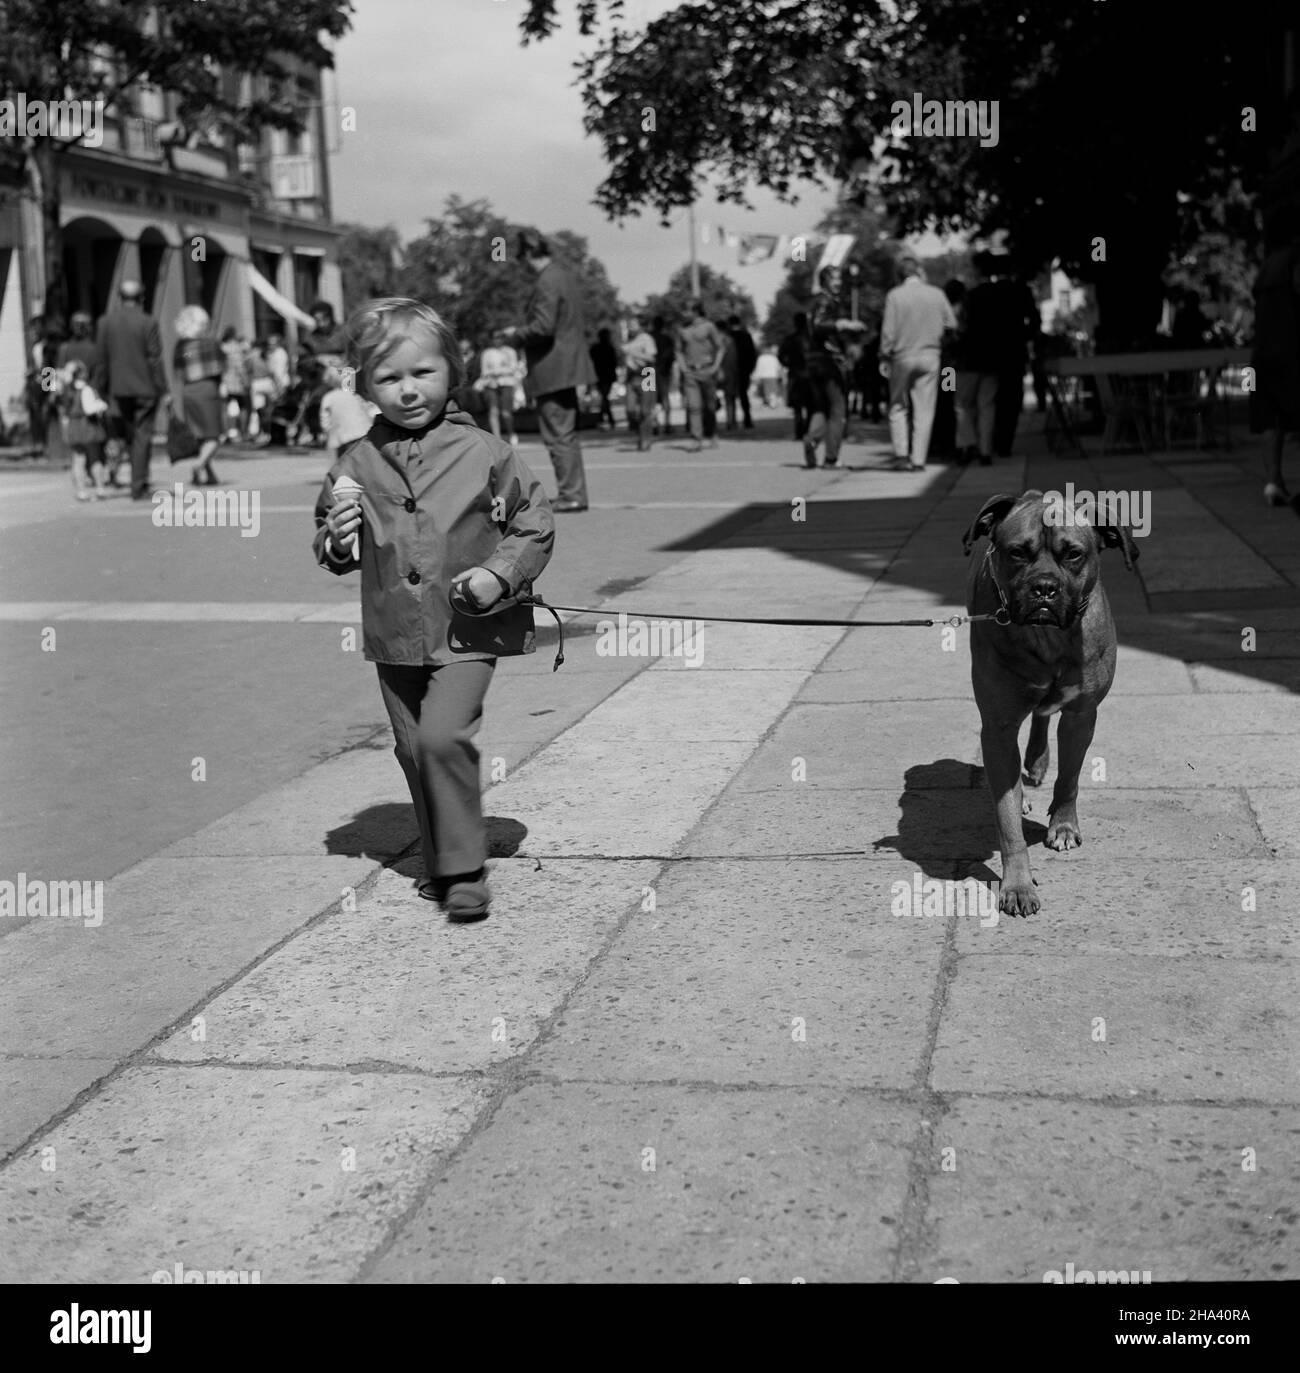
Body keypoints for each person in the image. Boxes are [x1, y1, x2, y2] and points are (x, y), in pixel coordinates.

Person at [314, 297, 555, 921]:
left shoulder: (487, 452)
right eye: (388, 378)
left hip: (469, 629)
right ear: (364, 384)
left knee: (443, 735)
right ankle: (442, 861)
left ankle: (464, 867)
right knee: (413, 748)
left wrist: (500, 576)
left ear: (453, 368)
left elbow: (532, 521)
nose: (407, 390)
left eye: (422, 373)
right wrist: (336, 539)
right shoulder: (353, 463)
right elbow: (332, 546)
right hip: (394, 632)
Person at [506, 230, 595, 512]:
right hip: (566, 365)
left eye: (522, 259)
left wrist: (515, 335)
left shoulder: (547, 281)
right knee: (565, 434)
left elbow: (544, 327)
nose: (523, 266)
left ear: (530, 253)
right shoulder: (563, 275)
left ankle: (572, 494)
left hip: (552, 367)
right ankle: (574, 492)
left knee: (558, 435)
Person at [880, 255, 957, 471]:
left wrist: (885, 354)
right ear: (919, 271)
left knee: (898, 406)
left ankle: (901, 455)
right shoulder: (936, 293)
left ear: (899, 274)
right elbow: (951, 323)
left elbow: (888, 331)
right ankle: (919, 458)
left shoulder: (895, 295)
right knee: (925, 408)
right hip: (930, 354)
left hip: (902, 355)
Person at [1248, 207, 1300, 511]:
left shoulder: (1266, 266)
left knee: (1269, 417)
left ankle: (1273, 480)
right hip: (1290, 351)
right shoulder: (1294, 260)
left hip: (1262, 352)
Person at [94, 280, 165, 499]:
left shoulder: (105, 323)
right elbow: (155, 358)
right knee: (142, 436)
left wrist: (100, 388)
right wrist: (163, 387)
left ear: (119, 297)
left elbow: (102, 359)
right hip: (144, 388)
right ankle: (139, 484)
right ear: (141, 297)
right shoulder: (148, 322)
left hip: (119, 389)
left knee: (128, 435)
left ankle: (133, 479)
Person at [172, 304, 226, 486]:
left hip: (188, 390)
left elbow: (178, 373)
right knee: (214, 436)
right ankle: (199, 464)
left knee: (200, 435)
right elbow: (221, 368)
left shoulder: (181, 347)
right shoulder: (210, 344)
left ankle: (208, 475)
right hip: (207, 388)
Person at [677, 300, 725, 451]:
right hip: (688, 372)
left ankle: (712, 434)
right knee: (693, 406)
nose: (683, 314)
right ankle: (696, 438)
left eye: (687, 311)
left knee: (709, 407)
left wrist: (715, 367)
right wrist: (683, 368)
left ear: (696, 311)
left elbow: (720, 347)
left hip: (706, 370)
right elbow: (677, 350)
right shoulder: (682, 330)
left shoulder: (708, 327)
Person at [59, 360, 110, 500]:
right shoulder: (87, 389)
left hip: (73, 426)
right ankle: (100, 488)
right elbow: (89, 409)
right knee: (95, 458)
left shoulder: (66, 390)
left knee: (78, 460)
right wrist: (102, 405)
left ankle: (81, 491)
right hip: (87, 426)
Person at [476, 328, 523, 443]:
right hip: (490, 384)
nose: (497, 340)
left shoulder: (510, 351)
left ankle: (511, 433)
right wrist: (496, 373)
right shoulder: (487, 353)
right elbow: (484, 371)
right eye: (495, 337)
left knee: (506, 413)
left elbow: (513, 368)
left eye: (500, 337)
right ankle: (497, 439)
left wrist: (497, 372)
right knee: (493, 411)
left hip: (507, 383)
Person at [621, 315, 657, 451]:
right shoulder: (629, 340)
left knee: (645, 410)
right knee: (630, 410)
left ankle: (645, 439)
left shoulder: (647, 339)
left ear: (640, 326)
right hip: (632, 376)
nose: (630, 327)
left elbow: (651, 358)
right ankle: (639, 433)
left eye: (633, 324)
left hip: (647, 373)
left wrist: (634, 354)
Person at [778, 312, 813, 438]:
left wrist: (789, 364)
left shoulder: (790, 339)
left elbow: (781, 356)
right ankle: (809, 430)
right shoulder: (812, 338)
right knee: (811, 404)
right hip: (810, 374)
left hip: (796, 373)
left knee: (798, 405)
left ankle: (799, 431)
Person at [727, 315, 757, 428]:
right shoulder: (746, 336)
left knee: (731, 395)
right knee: (743, 394)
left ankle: (732, 420)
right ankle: (747, 418)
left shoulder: (728, 336)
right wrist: (750, 368)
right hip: (744, 369)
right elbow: (752, 353)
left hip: (731, 369)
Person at [589, 327, 620, 428]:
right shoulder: (600, 348)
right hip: (601, 376)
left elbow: (614, 363)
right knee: (605, 397)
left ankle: (602, 418)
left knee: (604, 397)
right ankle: (607, 419)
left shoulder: (607, 348)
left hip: (604, 376)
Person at [651, 315, 676, 434]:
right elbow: (671, 356)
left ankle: (654, 424)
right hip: (662, 372)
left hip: (648, 372)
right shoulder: (667, 339)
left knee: (650, 399)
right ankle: (667, 424)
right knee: (665, 397)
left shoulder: (648, 337)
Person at [718, 324, 741, 430]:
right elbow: (735, 358)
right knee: (730, 398)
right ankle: (731, 421)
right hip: (731, 372)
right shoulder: (730, 341)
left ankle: (729, 421)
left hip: (719, 371)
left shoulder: (717, 340)